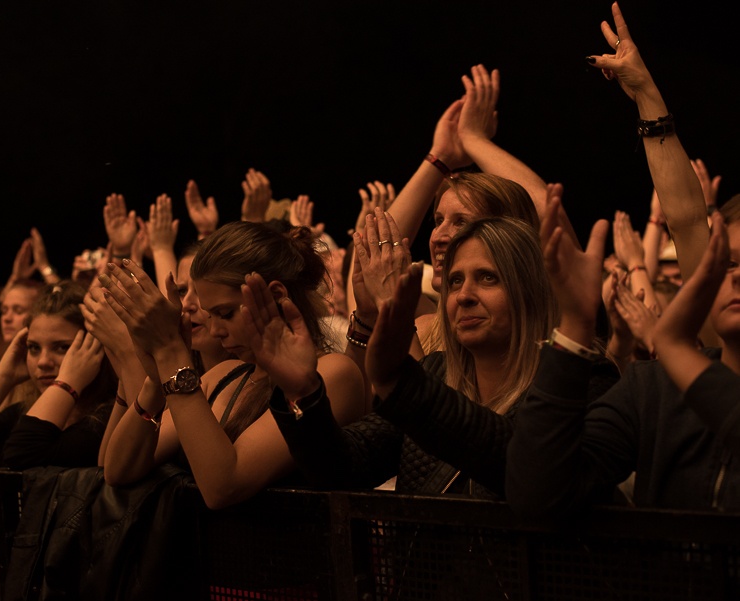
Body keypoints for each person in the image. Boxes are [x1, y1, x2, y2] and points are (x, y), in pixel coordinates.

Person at [505, 1, 735, 519]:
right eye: (731, 263)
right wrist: (571, 330)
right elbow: (538, 496)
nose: (737, 279)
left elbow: (689, 223)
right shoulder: (653, 390)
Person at [262, 215, 556, 497]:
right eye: (455, 281)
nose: (464, 295)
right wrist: (305, 393)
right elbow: (340, 468)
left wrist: (401, 381)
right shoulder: (437, 370)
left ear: (529, 290)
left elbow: (523, 466)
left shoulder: (565, 387)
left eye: (488, 278)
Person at [98, 220, 367, 509]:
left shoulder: (333, 373)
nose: (215, 331)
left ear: (275, 296)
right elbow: (117, 470)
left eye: (225, 313)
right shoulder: (224, 375)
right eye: (210, 316)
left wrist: (170, 352)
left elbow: (223, 487)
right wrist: (155, 379)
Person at [0, 281, 117, 469]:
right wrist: (4, 375)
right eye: (34, 348)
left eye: (62, 347)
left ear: (95, 349)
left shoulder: (105, 420)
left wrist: (68, 382)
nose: (43, 361)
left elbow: (21, 456)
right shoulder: (21, 412)